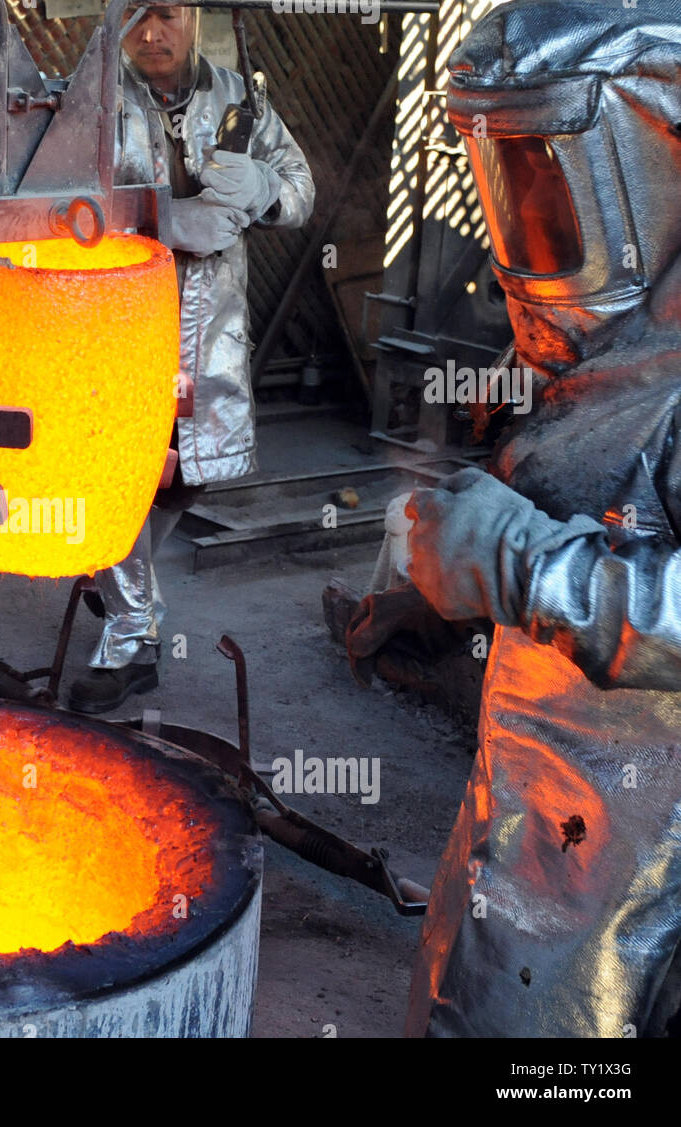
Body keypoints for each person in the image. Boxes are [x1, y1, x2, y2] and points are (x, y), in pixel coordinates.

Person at [350, 0, 681, 1036]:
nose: (524, 209)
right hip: (528, 818)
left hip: (644, 882)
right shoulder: (600, 334)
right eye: (505, 169)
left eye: (546, 164)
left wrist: (526, 564)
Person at [68, 3, 314, 713]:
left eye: (167, 14)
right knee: (118, 474)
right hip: (120, 324)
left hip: (209, 331)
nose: (152, 33)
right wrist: (158, 223)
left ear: (194, 17)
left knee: (191, 474)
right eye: (138, 16)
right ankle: (130, 637)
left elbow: (302, 190)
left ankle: (109, 571)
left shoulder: (242, 98)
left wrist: (267, 191)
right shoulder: (94, 98)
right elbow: (50, 201)